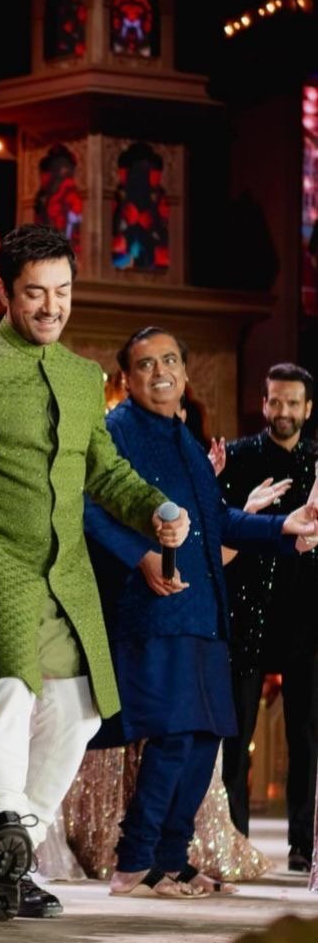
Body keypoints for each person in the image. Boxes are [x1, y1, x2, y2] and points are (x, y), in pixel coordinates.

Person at [0, 224, 188, 921]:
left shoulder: (82, 378)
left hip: (65, 569)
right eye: (35, 293)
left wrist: (157, 506)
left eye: (63, 292)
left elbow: (105, 471)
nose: (51, 307)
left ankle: (15, 852)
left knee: (79, 708)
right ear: (3, 292)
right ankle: (1, 820)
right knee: (11, 682)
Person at [83, 327, 317, 899]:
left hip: (207, 612)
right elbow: (87, 509)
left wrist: (284, 530)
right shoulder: (117, 431)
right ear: (127, 378)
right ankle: (135, 863)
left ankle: (171, 858)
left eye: (169, 360)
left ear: (186, 374)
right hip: (155, 611)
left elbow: (219, 522)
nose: (160, 372)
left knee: (206, 736)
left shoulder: (187, 439)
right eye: (145, 364)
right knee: (173, 734)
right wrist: (140, 557)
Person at [219, 363, 318, 873]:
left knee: (306, 734)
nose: (283, 411)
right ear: (263, 403)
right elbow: (219, 526)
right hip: (246, 612)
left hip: (307, 617)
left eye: (292, 402)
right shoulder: (237, 457)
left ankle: (304, 845)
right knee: (236, 735)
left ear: (308, 408)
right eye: (275, 401)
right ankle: (234, 841)